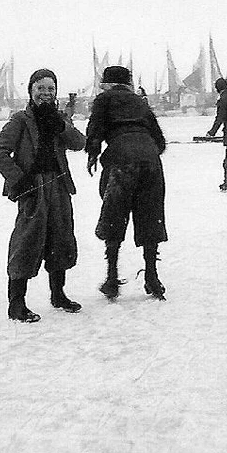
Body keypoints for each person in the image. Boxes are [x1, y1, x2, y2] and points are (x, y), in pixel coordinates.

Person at [0, 68, 86, 323]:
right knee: (26, 243)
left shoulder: (59, 118)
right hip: (33, 189)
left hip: (59, 186)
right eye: (40, 88)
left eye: (50, 89)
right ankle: (16, 304)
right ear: (31, 91)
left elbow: (79, 143)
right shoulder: (20, 120)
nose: (46, 93)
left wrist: (62, 126)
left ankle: (58, 295)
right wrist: (19, 181)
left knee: (61, 239)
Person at [86, 66, 168, 300]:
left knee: (115, 215)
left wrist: (93, 154)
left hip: (121, 160)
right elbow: (160, 140)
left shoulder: (103, 99)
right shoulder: (140, 101)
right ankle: (152, 277)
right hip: (150, 161)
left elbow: (95, 131)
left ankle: (112, 278)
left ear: (106, 84)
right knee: (151, 216)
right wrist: (146, 151)